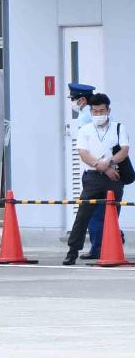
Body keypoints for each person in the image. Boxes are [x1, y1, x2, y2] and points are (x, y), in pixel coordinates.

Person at [65, 91, 129, 266]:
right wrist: (100, 166)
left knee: (112, 215)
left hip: (114, 176)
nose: (98, 115)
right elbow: (83, 153)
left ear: (108, 110)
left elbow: (124, 150)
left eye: (102, 111)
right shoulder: (85, 129)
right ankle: (72, 251)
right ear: (91, 111)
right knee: (83, 214)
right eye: (95, 111)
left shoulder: (118, 127)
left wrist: (109, 163)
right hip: (92, 177)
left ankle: (110, 249)